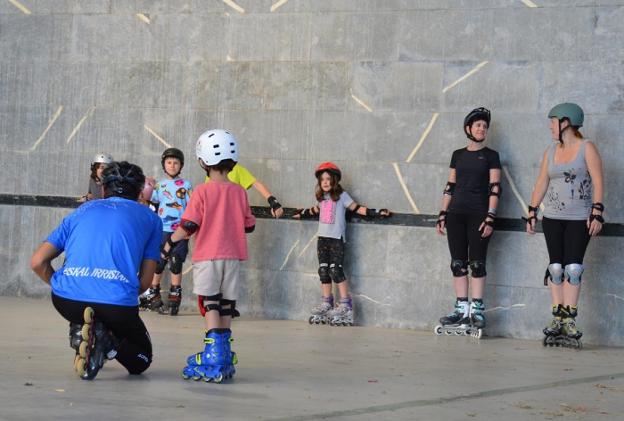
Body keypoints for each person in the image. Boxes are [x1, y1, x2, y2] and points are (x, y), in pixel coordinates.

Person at [30, 161, 162, 380]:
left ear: (103, 189)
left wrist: (64, 285)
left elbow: (37, 262)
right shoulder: (151, 219)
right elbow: (146, 282)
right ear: (140, 193)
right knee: (141, 360)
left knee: (88, 305)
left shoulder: (82, 211)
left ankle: (84, 326)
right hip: (116, 303)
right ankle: (110, 342)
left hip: (67, 301)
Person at [162, 129, 255, 382]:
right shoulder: (240, 192)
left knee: (210, 302)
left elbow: (189, 226)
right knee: (226, 303)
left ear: (202, 161)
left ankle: (213, 354)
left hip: (209, 256)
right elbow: (249, 226)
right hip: (234, 256)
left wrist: (169, 242)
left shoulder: (202, 192)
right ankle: (223, 353)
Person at [525, 103, 604, 349]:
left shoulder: (586, 147)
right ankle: (557, 317)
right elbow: (541, 182)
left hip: (580, 218)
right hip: (553, 218)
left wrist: (597, 212)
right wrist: (532, 211)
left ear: (566, 122)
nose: (550, 126)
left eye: (553, 121)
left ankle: (570, 319)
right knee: (556, 268)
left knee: (573, 268)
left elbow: (599, 181)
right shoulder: (550, 151)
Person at [293, 162, 390, 326]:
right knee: (323, 270)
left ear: (335, 180)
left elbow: (357, 208)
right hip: (322, 238)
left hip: (336, 239)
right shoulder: (322, 198)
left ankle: (346, 304)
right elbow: (314, 210)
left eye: (328, 179)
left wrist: (376, 212)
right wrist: (301, 213)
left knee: (335, 270)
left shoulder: (342, 196)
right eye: (322, 179)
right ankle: (327, 303)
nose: (325, 182)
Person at [435, 107, 501, 337]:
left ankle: (478, 310)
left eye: (485, 126)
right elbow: (449, 186)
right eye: (478, 125)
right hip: (456, 215)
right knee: (457, 263)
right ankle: (462, 308)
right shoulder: (458, 154)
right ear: (468, 129)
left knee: (477, 264)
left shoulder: (491, 155)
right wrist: (442, 214)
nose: (482, 128)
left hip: (479, 215)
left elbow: (495, 188)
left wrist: (491, 216)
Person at [140, 148, 192, 315]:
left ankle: (175, 292)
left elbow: (192, 207)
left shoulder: (186, 185)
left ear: (181, 165)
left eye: (176, 162)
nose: (172, 165)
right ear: (164, 164)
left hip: (181, 230)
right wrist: (146, 187)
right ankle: (153, 290)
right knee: (159, 262)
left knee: (176, 261)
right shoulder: (159, 185)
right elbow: (148, 201)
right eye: (169, 162)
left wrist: (191, 227)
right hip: (162, 229)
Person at [205, 163, 284, 218]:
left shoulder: (236, 168)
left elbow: (256, 183)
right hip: (214, 218)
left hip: (232, 218)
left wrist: (273, 202)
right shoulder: (211, 171)